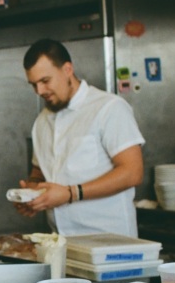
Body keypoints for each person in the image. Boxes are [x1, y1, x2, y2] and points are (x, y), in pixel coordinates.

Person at [14, 39, 145, 237]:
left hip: (112, 243)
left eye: (45, 81)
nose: (39, 91)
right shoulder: (42, 121)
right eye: (34, 84)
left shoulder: (108, 108)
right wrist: (33, 194)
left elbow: (132, 172)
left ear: (67, 69)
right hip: (62, 242)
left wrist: (70, 193)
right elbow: (39, 172)